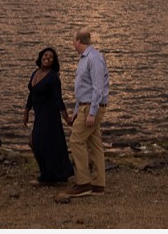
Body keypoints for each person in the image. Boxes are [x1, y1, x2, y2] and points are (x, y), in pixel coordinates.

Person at [64, 28, 109, 198]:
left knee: (76, 140)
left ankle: (83, 183)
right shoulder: (84, 59)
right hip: (84, 106)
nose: (72, 43)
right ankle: (98, 184)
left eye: (73, 40)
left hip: (91, 107)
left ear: (79, 42)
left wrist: (92, 112)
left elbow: (98, 87)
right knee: (94, 144)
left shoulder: (94, 58)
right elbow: (84, 89)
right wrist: (76, 111)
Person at [23, 47, 74, 186]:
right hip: (39, 114)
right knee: (40, 144)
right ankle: (50, 174)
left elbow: (58, 100)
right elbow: (31, 94)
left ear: (53, 61)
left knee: (36, 142)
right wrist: (26, 112)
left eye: (51, 57)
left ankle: (47, 176)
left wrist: (67, 118)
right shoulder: (35, 73)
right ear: (41, 57)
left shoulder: (53, 77)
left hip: (50, 115)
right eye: (45, 55)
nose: (47, 58)